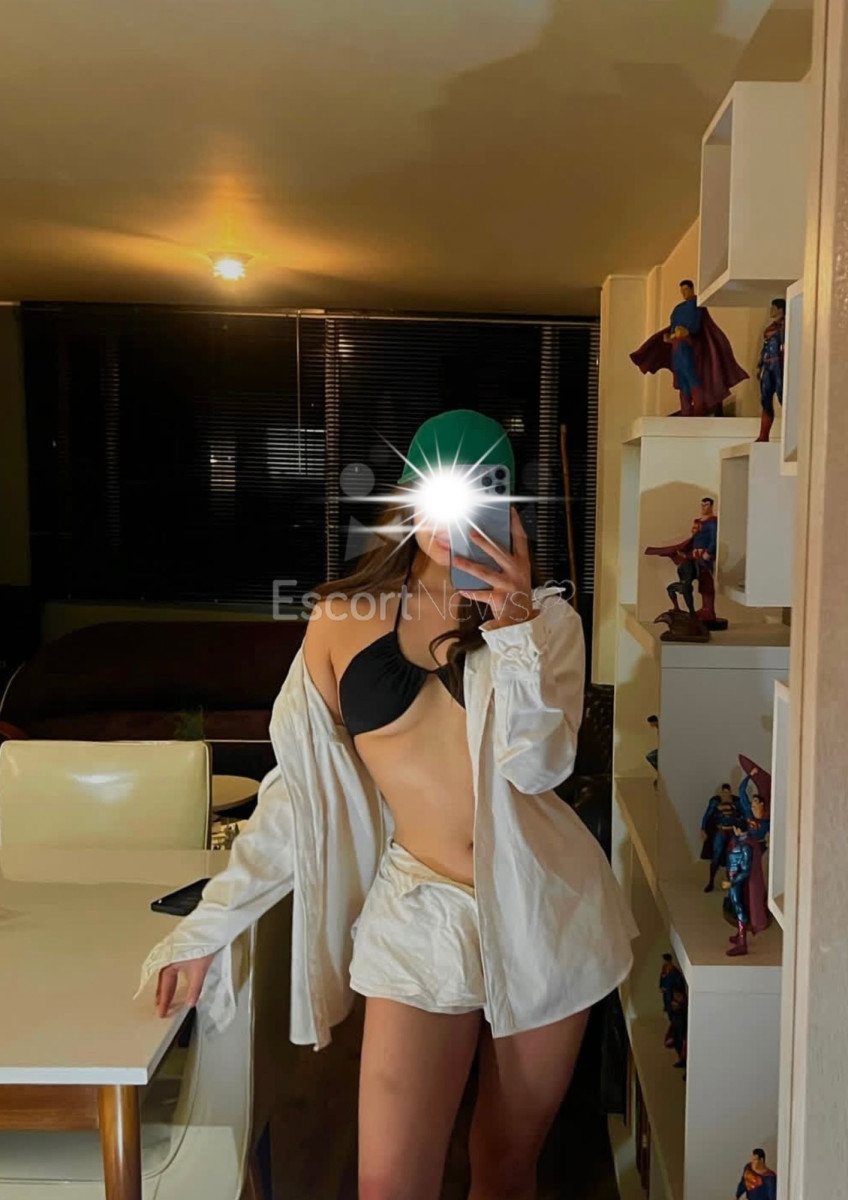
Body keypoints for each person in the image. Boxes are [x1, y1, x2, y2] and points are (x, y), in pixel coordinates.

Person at [135, 409, 639, 1200]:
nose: (452, 520)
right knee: (387, 1183)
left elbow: (540, 768)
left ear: (507, 507)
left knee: (506, 1165)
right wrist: (208, 927)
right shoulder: (340, 621)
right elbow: (299, 797)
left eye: (478, 495)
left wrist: (514, 628)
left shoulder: (549, 621)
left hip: (545, 910)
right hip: (419, 918)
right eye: (438, 493)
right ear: (409, 497)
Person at [630, 279, 749, 415]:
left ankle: (698, 410)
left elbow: (695, 327)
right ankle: (686, 412)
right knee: (682, 382)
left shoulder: (697, 305)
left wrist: (685, 332)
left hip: (688, 349)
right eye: (682, 291)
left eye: (686, 290)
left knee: (692, 378)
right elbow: (673, 328)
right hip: (677, 350)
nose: (684, 293)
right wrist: (673, 336)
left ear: (692, 289)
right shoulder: (678, 309)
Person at [722, 818, 754, 958]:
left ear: (738, 829)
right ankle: (740, 934)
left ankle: (742, 943)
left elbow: (746, 870)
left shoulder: (745, 847)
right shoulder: (737, 842)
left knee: (739, 908)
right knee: (735, 907)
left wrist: (733, 882)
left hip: (736, 882)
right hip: (732, 879)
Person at [756, 299, 786, 444]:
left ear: (780, 309)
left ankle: (791, 433)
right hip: (768, 365)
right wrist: (760, 365)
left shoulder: (785, 327)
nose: (771, 310)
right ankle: (763, 435)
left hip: (779, 365)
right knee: (766, 399)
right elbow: (765, 349)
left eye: (773, 308)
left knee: (783, 396)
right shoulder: (770, 328)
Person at [700, 783, 740, 892]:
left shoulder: (736, 801)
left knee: (732, 857)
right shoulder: (715, 802)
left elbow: (743, 814)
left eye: (727, 793)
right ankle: (711, 881)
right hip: (721, 831)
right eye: (724, 793)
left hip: (732, 832)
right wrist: (703, 829)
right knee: (716, 856)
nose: (725, 795)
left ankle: (731, 882)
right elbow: (707, 815)